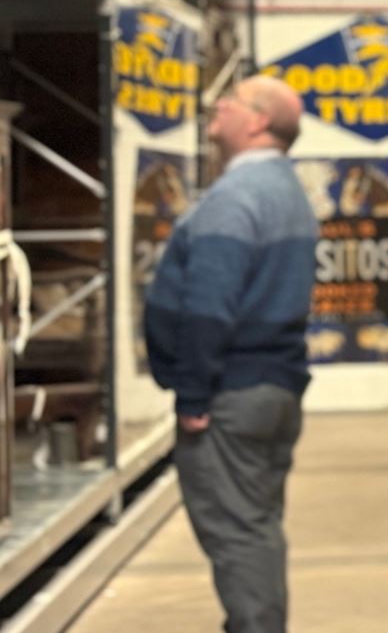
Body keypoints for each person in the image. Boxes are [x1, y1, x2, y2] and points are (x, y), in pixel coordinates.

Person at [144, 75, 318, 633]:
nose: (218, 104)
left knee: (239, 534)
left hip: (230, 392)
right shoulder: (286, 192)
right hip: (273, 386)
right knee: (257, 525)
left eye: (234, 100)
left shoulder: (237, 196)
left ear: (258, 121)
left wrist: (194, 392)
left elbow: (209, 305)